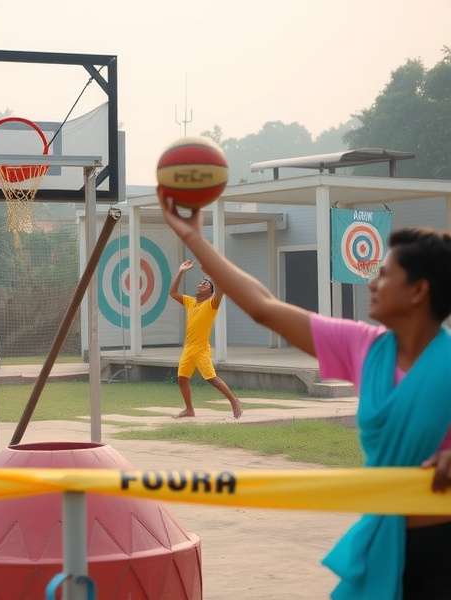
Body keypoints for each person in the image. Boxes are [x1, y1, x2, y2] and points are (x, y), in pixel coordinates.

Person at [158, 189, 451, 599]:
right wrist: (194, 239)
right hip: (384, 546)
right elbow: (263, 307)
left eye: (384, 274)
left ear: (419, 291)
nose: (372, 282)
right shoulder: (362, 347)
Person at [168, 259, 243, 418]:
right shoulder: (190, 301)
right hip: (188, 348)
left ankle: (234, 401)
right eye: (200, 282)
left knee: (211, 378)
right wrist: (181, 271)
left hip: (201, 348)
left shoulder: (211, 304)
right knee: (182, 378)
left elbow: (221, 291)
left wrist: (212, 274)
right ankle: (189, 410)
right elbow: (173, 293)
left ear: (210, 291)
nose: (201, 284)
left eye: (206, 284)